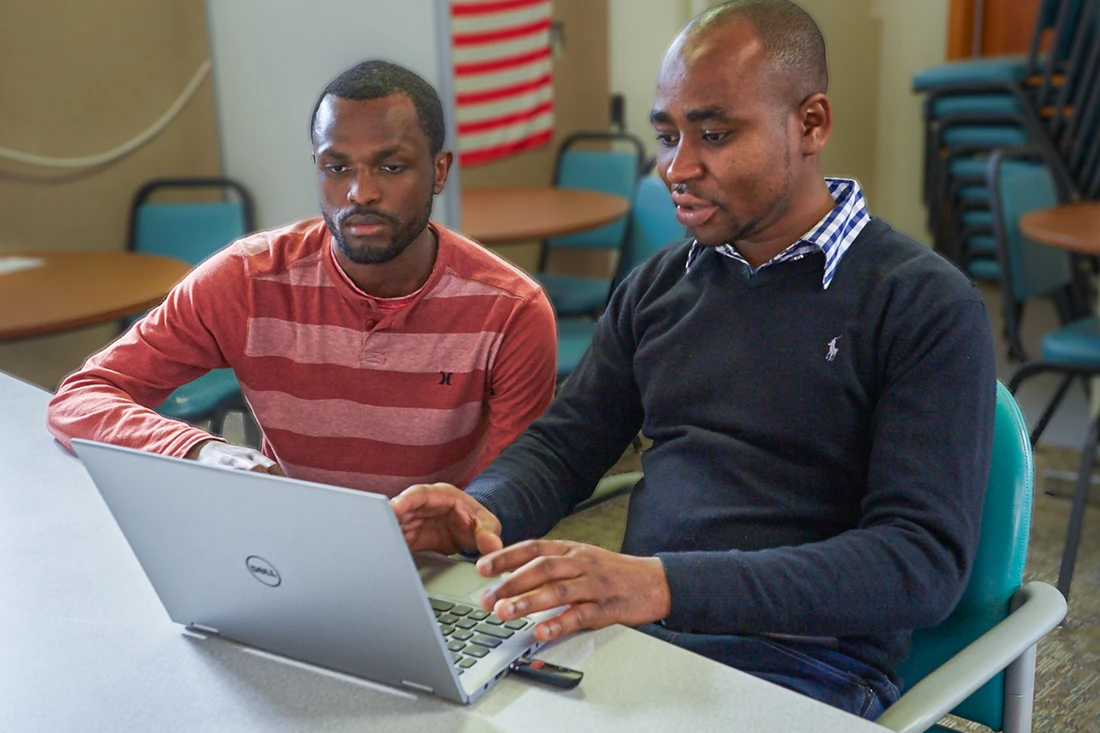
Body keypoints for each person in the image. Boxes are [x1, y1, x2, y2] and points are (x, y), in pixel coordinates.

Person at [391, 0, 996, 720]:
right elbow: (563, 447)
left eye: (713, 133)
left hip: (804, 660)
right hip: (634, 634)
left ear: (811, 124)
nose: (677, 167)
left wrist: (664, 583)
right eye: (666, 135)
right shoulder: (659, 286)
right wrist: (480, 506)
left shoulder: (924, 303)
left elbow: (919, 563)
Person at [47, 60, 557, 496]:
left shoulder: (510, 310)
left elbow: (513, 490)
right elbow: (82, 396)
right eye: (337, 168)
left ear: (439, 171)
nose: (361, 193)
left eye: (392, 166)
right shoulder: (247, 280)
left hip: (437, 562)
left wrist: (454, 526)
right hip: (289, 549)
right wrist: (199, 450)